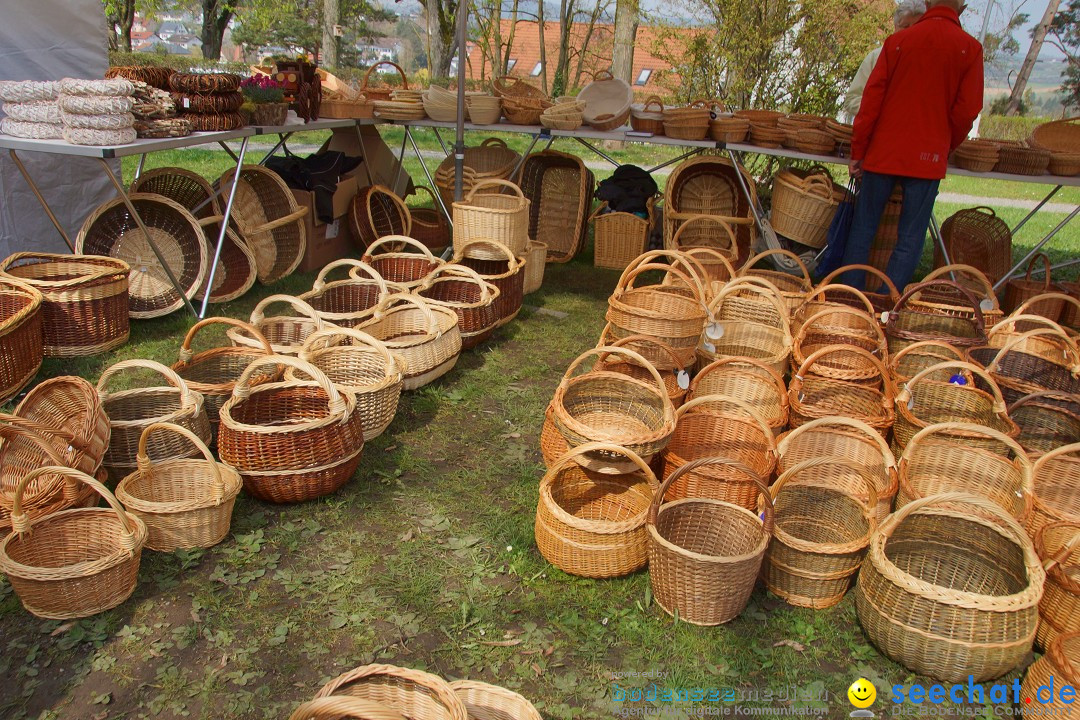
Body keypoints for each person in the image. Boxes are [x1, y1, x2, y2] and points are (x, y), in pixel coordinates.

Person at [841, 0, 983, 292]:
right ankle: (887, 305)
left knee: (863, 229)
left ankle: (850, 299)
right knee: (910, 238)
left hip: (884, 152)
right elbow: (967, 111)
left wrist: (859, 151)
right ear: (963, 8)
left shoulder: (898, 42)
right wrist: (945, 143)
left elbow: (869, 105)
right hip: (927, 157)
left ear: (929, 3)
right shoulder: (969, 49)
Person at [841, 0, 927, 123]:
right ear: (895, 26)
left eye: (917, 26)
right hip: (879, 133)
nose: (911, 31)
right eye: (905, 26)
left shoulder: (929, 63)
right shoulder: (876, 57)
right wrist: (883, 110)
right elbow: (852, 100)